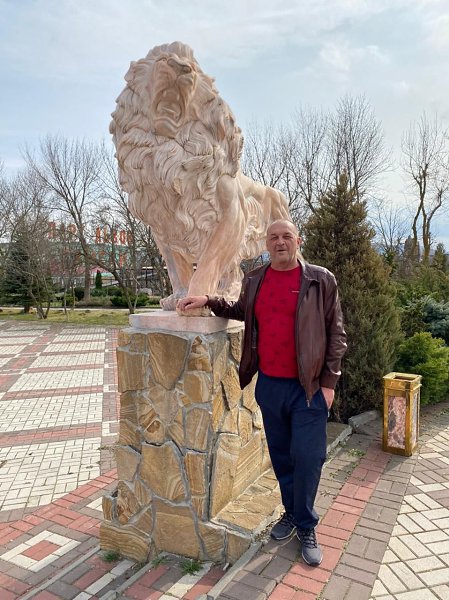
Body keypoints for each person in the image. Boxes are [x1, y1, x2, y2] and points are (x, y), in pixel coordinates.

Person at [177, 219, 347, 566]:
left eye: (286, 236)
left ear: (298, 240)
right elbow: (242, 310)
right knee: (282, 457)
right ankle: (291, 512)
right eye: (274, 238)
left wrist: (329, 383)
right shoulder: (255, 279)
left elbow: (337, 334)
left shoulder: (320, 280)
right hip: (270, 385)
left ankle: (306, 525)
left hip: (309, 389)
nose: (280, 242)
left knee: (308, 458)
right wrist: (208, 299)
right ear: (267, 244)